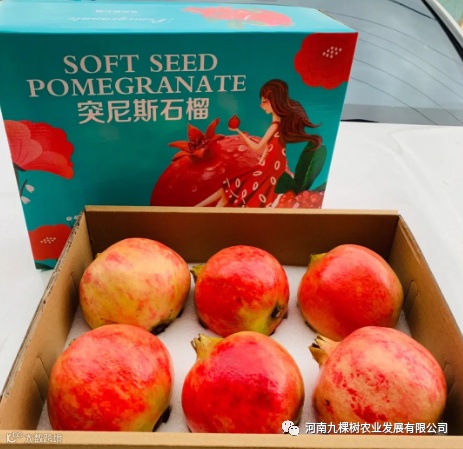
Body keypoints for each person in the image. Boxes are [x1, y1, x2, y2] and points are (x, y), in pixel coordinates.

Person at [196, 79, 322, 207]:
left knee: (234, 188)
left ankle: (199, 209)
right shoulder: (279, 127)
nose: (261, 106)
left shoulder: (275, 126)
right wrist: (260, 163)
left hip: (269, 168)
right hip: (270, 166)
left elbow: (257, 147)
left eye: (265, 101)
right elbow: (269, 149)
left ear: (275, 102)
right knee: (233, 189)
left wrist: (238, 131)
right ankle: (199, 210)